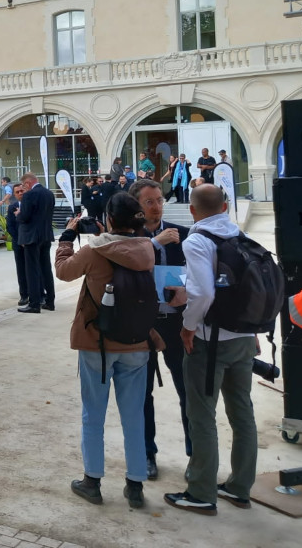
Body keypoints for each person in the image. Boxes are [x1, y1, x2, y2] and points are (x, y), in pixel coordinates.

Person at [55, 191, 156, 509]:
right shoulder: (147, 249)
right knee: (134, 415)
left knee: (93, 414)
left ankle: (92, 481)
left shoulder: (96, 250)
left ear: (109, 219)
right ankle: (136, 484)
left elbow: (64, 270)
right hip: (137, 342)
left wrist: (67, 238)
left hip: (97, 343)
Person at [165, 185, 256, 515]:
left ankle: (202, 492)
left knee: (202, 415)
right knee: (242, 412)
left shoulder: (198, 240)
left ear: (192, 211)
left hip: (210, 341)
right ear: (226, 205)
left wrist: (188, 326)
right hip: (243, 338)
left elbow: (202, 293)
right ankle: (240, 487)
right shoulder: (239, 234)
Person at [130, 179, 191, 480]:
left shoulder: (185, 236)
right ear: (137, 208)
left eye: (159, 200)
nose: (156, 207)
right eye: (149, 202)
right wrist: (155, 244)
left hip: (177, 325)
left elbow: (202, 277)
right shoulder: (129, 239)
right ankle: (147, 453)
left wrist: (186, 292)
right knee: (143, 394)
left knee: (187, 390)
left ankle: (196, 455)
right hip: (143, 326)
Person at [17, 172, 56, 313]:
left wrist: (18, 215)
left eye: (24, 186)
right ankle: (50, 301)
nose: (24, 188)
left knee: (32, 269)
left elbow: (25, 216)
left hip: (32, 237)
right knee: (46, 269)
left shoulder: (29, 195)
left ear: (27, 183)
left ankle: (34, 304)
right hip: (46, 235)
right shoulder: (49, 194)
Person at [6, 182, 29, 307]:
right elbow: (10, 226)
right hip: (18, 243)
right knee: (21, 269)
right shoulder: (12, 207)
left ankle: (37, 292)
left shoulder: (31, 205)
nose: (20, 193)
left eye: (22, 191)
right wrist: (20, 240)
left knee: (32, 268)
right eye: (17, 192)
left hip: (30, 242)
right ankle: (24, 295)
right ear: (14, 194)